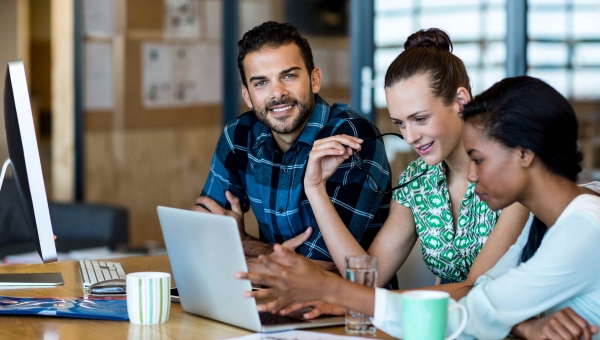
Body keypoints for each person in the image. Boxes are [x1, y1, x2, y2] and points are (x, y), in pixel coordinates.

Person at [237, 76, 600, 340]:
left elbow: (477, 308)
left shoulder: (584, 229)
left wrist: (332, 291)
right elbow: (480, 301)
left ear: (525, 153)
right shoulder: (547, 221)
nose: (472, 175)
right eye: (400, 123)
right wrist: (523, 324)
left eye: (480, 159)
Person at [270, 28, 529, 318]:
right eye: (400, 123)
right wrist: (315, 188)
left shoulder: (511, 173)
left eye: (419, 119)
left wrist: (351, 299)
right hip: (448, 329)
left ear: (461, 101)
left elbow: (475, 289)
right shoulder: (418, 182)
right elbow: (367, 277)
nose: (410, 137)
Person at [194, 21, 392, 274]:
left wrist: (243, 246)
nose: (277, 93)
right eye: (261, 83)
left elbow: (327, 267)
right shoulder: (239, 136)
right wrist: (260, 255)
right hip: (266, 298)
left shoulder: (351, 138)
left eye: (289, 76)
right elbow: (204, 236)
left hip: (348, 309)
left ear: (315, 79)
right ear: (247, 95)